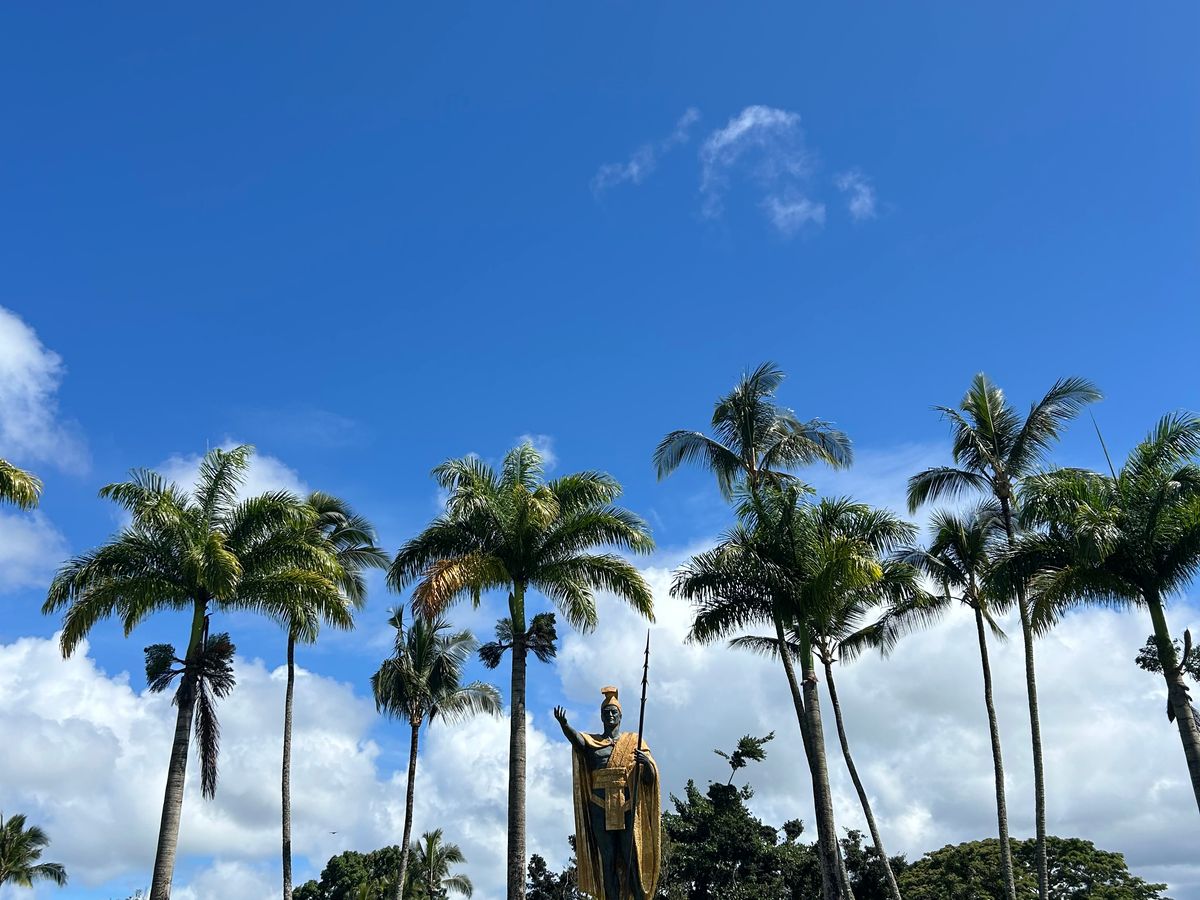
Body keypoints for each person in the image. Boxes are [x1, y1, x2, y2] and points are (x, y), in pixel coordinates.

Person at [554, 686, 661, 900]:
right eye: (606, 712)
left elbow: (649, 779)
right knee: (608, 860)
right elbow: (577, 741)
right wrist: (565, 725)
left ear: (620, 716)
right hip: (600, 806)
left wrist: (646, 763)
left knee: (632, 858)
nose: (610, 715)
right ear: (601, 717)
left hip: (626, 806)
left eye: (614, 712)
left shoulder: (635, 741)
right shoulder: (593, 742)